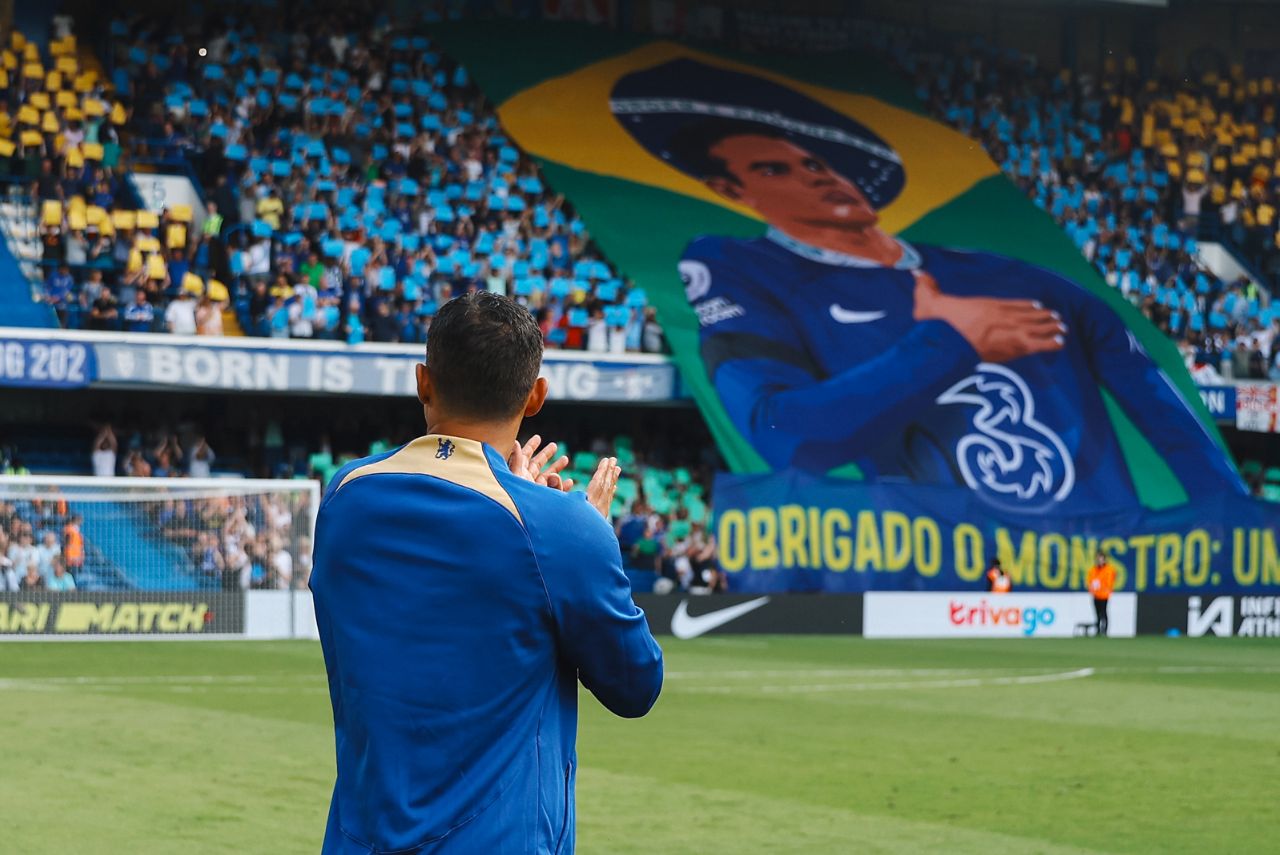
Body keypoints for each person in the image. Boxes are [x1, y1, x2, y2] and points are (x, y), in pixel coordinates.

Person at [612, 59, 1246, 514]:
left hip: (1104, 552)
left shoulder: (1016, 275)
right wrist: (948, 340)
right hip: (948, 572)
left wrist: (1230, 524)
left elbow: (1164, 409)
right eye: (776, 169)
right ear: (732, 191)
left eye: (817, 162)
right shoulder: (747, 271)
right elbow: (786, 436)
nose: (819, 177)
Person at [310, 292, 662, 854]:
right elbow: (635, 684)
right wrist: (583, 531)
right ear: (536, 396)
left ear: (423, 381)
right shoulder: (560, 530)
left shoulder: (345, 498)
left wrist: (533, 509)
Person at [1087, 551, 1117, 636]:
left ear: (1104, 559)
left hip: (1104, 595)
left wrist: (1107, 588)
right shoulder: (1093, 569)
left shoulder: (1109, 569)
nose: (1099, 560)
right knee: (1097, 613)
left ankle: (1105, 630)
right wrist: (1092, 587)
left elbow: (1111, 580)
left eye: (1101, 558)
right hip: (1096, 594)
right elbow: (1089, 580)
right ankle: (1098, 630)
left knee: (1103, 612)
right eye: (1098, 558)